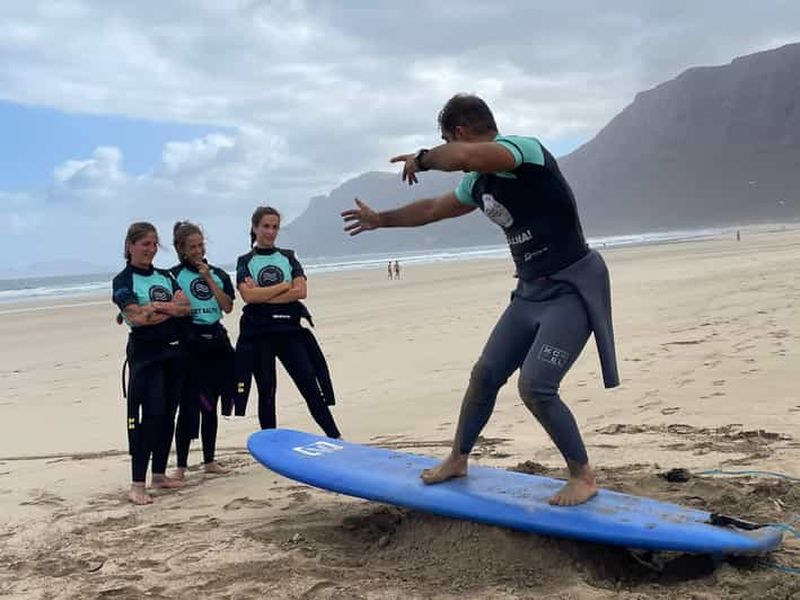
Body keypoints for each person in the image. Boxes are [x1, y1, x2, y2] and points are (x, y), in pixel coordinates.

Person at [341, 94, 619, 506]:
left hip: (570, 289)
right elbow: (435, 208)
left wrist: (423, 157)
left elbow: (463, 156)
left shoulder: (523, 152)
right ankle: (458, 458)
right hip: (529, 292)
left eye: (448, 141)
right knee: (485, 374)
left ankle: (583, 476)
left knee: (536, 386)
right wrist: (382, 220)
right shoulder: (478, 182)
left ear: (459, 133)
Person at [234, 206, 341, 438]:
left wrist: (264, 294)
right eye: (265, 226)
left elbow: (301, 291)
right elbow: (249, 297)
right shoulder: (244, 261)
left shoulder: (288, 256)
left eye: (274, 227)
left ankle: (335, 436)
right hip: (260, 335)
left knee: (310, 387)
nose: (270, 232)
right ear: (255, 228)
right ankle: (271, 443)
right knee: (267, 391)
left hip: (290, 332)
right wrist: (284, 286)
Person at [112, 222, 191, 505]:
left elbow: (187, 308)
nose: (151, 249)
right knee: (152, 415)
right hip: (146, 356)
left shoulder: (166, 275)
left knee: (169, 412)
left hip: (173, 352)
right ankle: (137, 483)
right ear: (130, 246)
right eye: (145, 244)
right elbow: (137, 318)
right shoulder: (123, 281)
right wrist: (168, 308)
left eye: (155, 244)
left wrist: (156, 307)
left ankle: (158, 474)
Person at [170, 221, 235, 479]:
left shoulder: (217, 273)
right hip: (191, 345)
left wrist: (208, 278)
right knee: (190, 405)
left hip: (217, 343)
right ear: (181, 249)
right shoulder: (173, 276)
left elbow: (227, 306)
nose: (197, 251)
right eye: (192, 247)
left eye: (200, 245)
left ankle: (209, 460)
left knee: (211, 405)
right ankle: (181, 466)